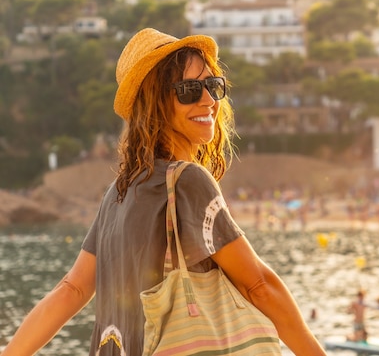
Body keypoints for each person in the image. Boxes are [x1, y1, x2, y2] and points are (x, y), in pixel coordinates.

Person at [2, 28, 326, 356]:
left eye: (212, 86)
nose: (209, 101)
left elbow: (71, 289)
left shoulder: (119, 191)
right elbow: (258, 285)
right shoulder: (187, 181)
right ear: (154, 103)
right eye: (187, 90)